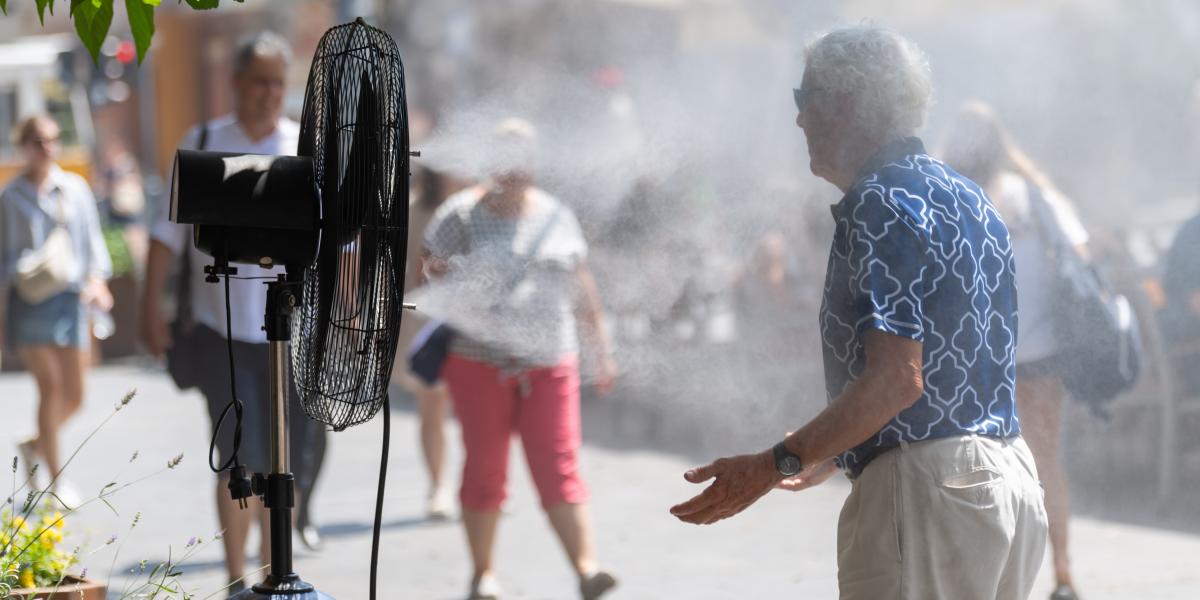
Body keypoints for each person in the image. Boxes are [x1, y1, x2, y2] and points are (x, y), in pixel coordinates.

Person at [669, 26, 1048, 600]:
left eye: (806, 99)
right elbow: (947, 372)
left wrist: (772, 464)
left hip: (928, 492)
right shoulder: (967, 195)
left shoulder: (878, 199)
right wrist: (833, 444)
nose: (798, 120)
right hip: (1008, 477)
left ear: (848, 104)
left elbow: (898, 379)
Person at [139, 31, 327, 593]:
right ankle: (237, 578)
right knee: (237, 455)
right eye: (259, 82)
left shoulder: (302, 147)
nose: (269, 93)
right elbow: (162, 239)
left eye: (277, 83)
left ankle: (277, 570)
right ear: (237, 83)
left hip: (292, 333)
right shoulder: (202, 143)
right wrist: (150, 310)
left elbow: (338, 244)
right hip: (221, 333)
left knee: (286, 457)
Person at [421, 118, 619, 600]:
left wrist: (601, 349)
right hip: (478, 364)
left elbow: (580, 282)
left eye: (524, 157)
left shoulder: (556, 215)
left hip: (551, 363)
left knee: (558, 463)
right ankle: (483, 574)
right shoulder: (459, 216)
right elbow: (430, 274)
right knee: (486, 467)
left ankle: (586, 568)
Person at [942, 100, 1090, 600]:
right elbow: (1081, 253)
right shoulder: (1034, 195)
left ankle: (998, 577)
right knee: (1045, 460)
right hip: (1038, 349)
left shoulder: (948, 198)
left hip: (977, 357)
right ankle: (1062, 574)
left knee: (980, 466)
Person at [1, 114, 113, 502]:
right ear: (24, 146)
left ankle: (35, 443)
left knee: (76, 396)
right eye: (37, 141)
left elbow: (93, 242)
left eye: (51, 140)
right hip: (29, 301)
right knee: (49, 389)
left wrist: (98, 282)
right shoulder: (10, 197)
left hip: (71, 300)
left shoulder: (74, 189)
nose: (46, 148)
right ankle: (54, 480)